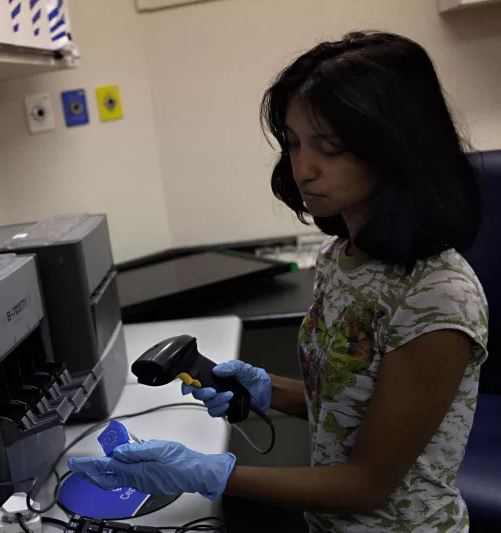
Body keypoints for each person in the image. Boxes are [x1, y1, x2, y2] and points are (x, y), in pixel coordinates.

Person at [68, 31, 488, 533]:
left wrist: (206, 473)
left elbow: (366, 483)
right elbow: (350, 400)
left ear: (393, 148)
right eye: (292, 143)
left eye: (327, 148)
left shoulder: (438, 295)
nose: (302, 169)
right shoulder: (340, 257)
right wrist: (267, 389)